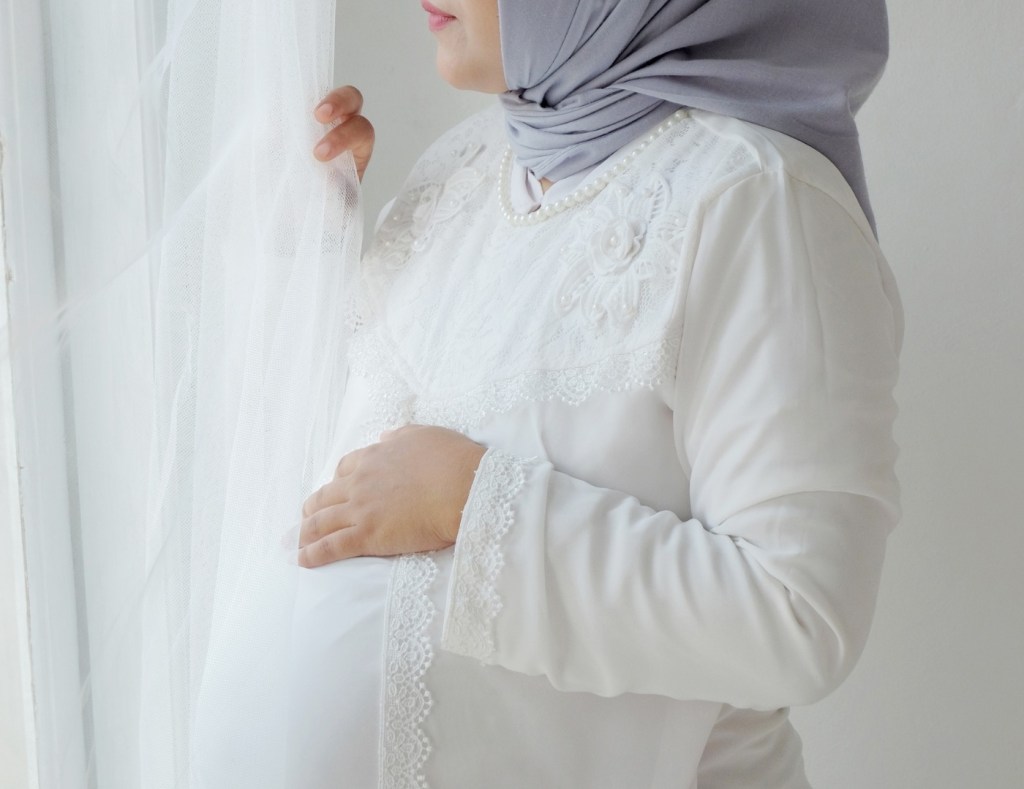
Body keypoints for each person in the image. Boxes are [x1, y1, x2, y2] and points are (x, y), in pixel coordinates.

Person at [203, 1, 902, 786]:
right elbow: (355, 492)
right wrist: (311, 238)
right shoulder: (464, 165)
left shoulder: (758, 198)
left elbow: (798, 618)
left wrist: (474, 504)